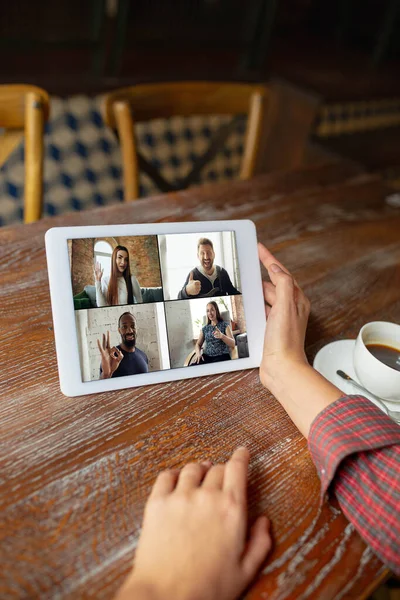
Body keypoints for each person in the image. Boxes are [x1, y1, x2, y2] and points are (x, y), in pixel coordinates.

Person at [114, 244, 400, 600]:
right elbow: (198, 345)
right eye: (207, 311)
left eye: (211, 310)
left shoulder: (225, 291)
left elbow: (234, 344)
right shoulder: (195, 297)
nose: (205, 259)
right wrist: (200, 344)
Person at [97, 312, 148, 379]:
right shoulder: (112, 357)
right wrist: (106, 375)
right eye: (124, 327)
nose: (129, 331)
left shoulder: (143, 356)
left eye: (133, 326)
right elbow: (101, 386)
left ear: (137, 329)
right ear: (119, 330)